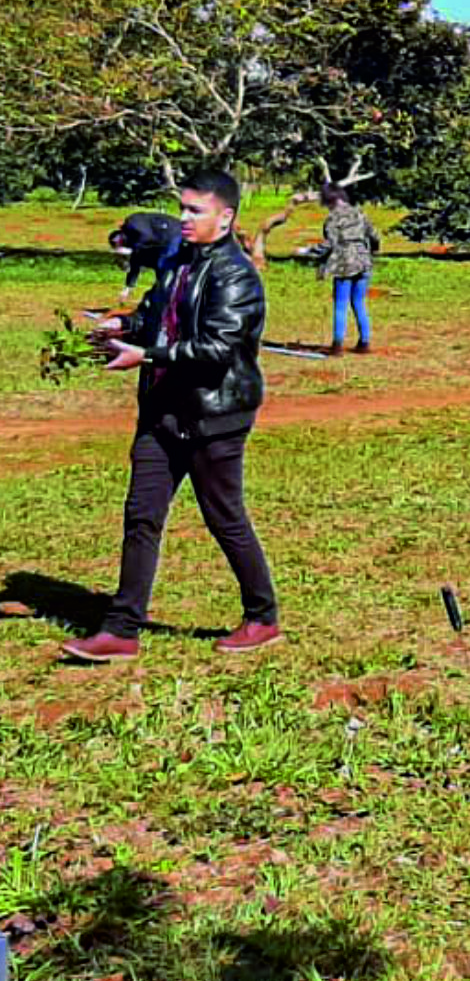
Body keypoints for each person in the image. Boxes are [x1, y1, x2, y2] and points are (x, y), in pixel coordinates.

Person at [62, 169, 280, 662]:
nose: (182, 218)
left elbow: (217, 349)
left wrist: (147, 355)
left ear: (224, 218)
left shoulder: (237, 276)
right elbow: (155, 315)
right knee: (141, 515)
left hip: (213, 417)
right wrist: (124, 324)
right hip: (162, 411)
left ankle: (262, 617)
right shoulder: (177, 260)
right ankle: (121, 628)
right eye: (181, 207)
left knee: (224, 518)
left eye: (194, 210)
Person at [308, 183, 380, 356]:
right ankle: (364, 342)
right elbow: (374, 236)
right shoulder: (360, 213)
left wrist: (308, 251)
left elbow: (329, 244)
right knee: (359, 302)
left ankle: (337, 345)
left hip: (344, 263)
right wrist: (373, 252)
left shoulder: (332, 219)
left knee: (341, 304)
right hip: (363, 260)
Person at [108, 212, 183, 302]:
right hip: (163, 241)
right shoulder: (136, 241)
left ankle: (169, 300)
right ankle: (163, 299)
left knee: (164, 268)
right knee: (160, 270)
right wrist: (127, 289)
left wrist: (134, 249)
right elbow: (135, 265)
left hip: (174, 234)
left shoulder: (132, 223)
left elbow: (148, 237)